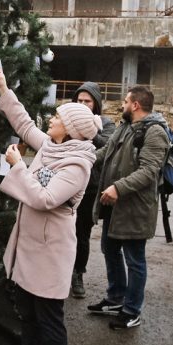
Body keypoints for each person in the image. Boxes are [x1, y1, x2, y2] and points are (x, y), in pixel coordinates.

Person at [0, 68, 99, 345]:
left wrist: (17, 165)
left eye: (58, 117)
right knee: (28, 317)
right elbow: (23, 124)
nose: (51, 119)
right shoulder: (52, 146)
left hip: (50, 254)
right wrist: (3, 89)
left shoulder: (77, 165)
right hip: (29, 249)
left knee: (50, 323)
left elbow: (45, 198)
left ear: (72, 129)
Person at [87, 86, 168, 330]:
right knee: (109, 250)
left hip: (134, 208)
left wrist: (118, 188)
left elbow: (148, 171)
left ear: (135, 105)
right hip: (114, 204)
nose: (121, 105)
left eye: (125, 101)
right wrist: (82, 158)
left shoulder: (154, 132)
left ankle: (132, 310)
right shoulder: (124, 126)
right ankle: (115, 299)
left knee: (135, 259)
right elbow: (105, 151)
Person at [69, 82, 115, 299]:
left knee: (81, 234)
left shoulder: (106, 123)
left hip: (90, 187)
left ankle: (78, 274)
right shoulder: (66, 120)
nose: (83, 104)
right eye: (79, 101)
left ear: (96, 103)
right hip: (67, 183)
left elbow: (106, 148)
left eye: (87, 101)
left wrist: (89, 128)